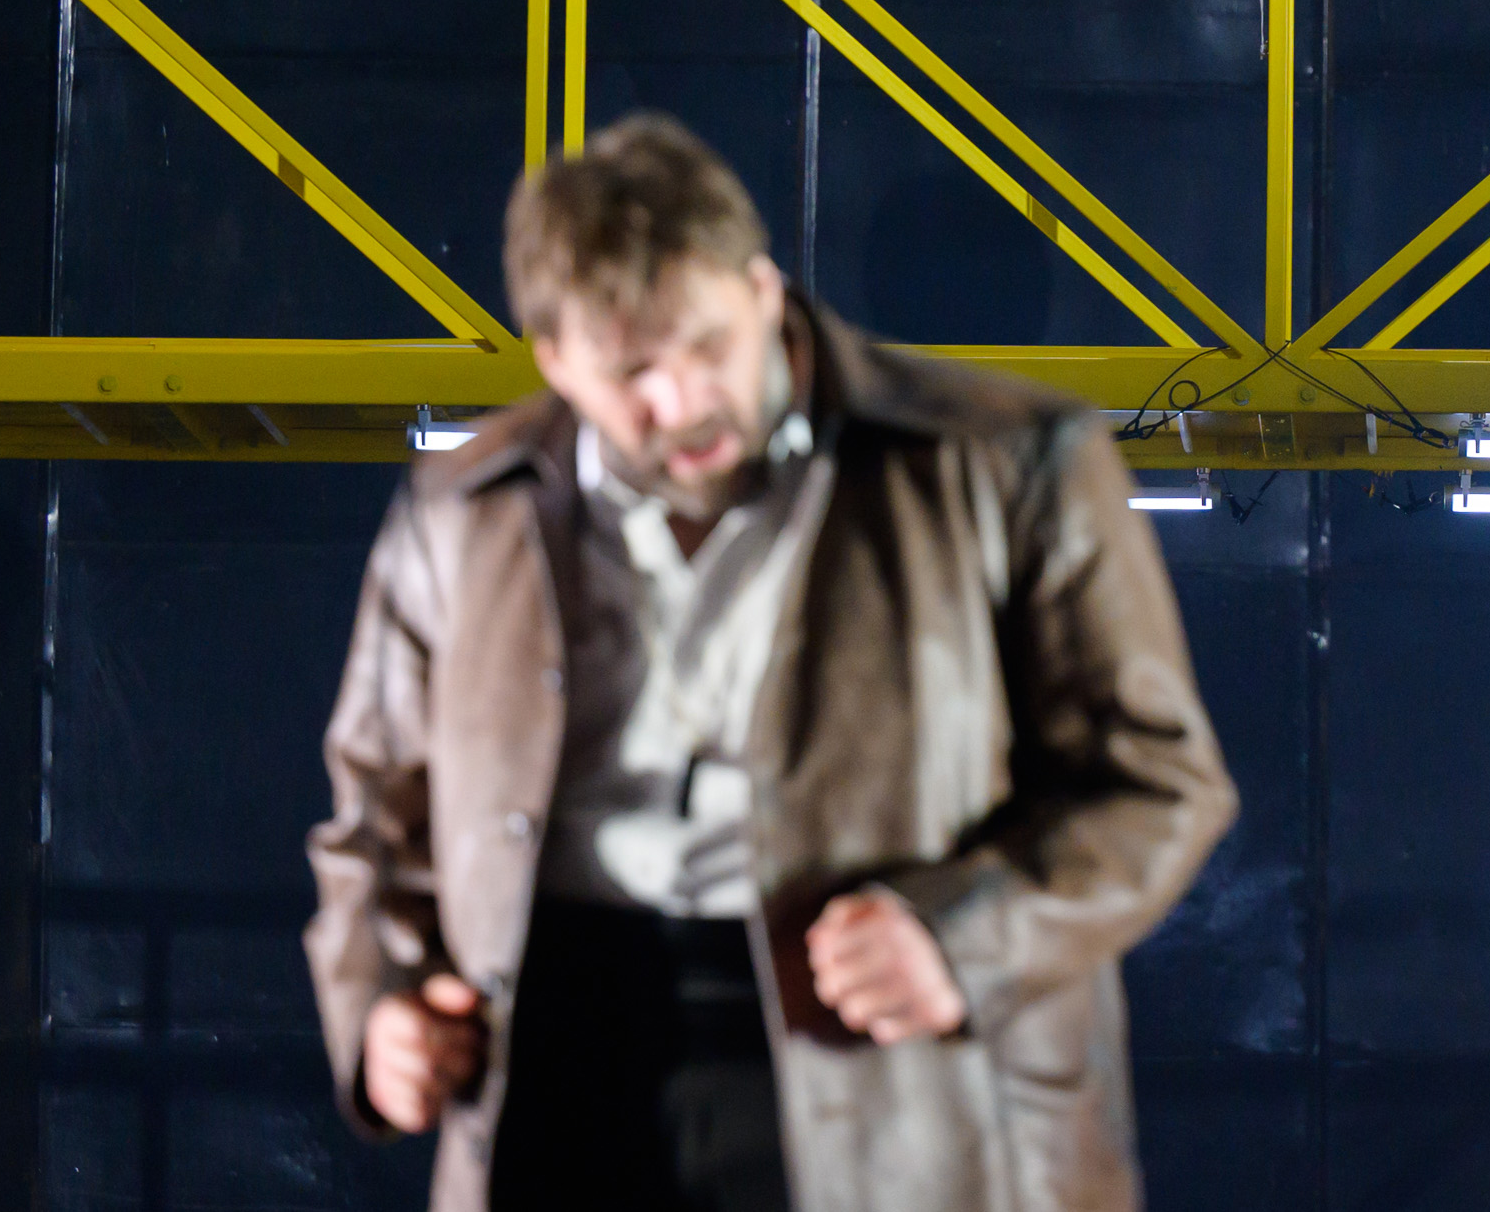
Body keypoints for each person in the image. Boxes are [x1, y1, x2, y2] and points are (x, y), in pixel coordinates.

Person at [305, 114, 1233, 1212]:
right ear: (552, 357)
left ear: (762, 289)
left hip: (902, 1090)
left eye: (705, 345)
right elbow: (372, 814)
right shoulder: (456, 511)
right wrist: (380, 1006)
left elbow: (1159, 783)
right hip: (555, 1070)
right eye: (631, 371)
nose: (682, 401)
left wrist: (965, 934)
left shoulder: (1012, 464)